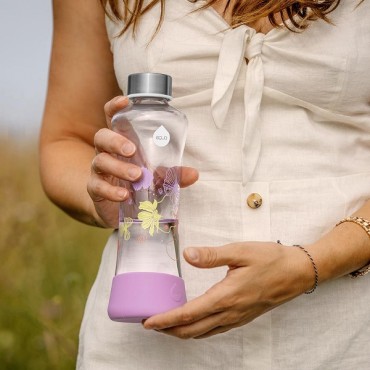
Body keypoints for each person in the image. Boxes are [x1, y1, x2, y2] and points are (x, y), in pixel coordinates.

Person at [40, 0, 370, 369]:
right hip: (147, 342)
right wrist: (106, 197)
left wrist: (311, 264)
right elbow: (65, 139)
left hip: (346, 336)